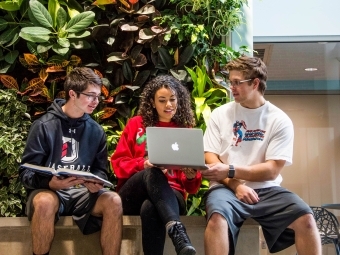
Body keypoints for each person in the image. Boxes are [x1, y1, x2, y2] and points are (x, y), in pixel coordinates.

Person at [200, 56, 322, 255]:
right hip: (226, 189)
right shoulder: (220, 114)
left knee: (306, 219)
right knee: (216, 220)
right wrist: (236, 184)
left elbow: (272, 170)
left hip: (267, 190)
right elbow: (210, 156)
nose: (232, 87)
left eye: (237, 82)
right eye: (230, 82)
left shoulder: (279, 120)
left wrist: (230, 169)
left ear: (255, 83)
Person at [19, 67, 123, 255]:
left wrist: (96, 182)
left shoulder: (96, 131)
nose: (96, 102)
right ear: (72, 94)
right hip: (51, 192)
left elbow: (100, 170)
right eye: (91, 96)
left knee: (113, 200)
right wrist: (48, 183)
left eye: (98, 96)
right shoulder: (44, 126)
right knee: (44, 202)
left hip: (82, 194)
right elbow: (25, 173)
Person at [111, 75, 202, 255]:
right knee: (152, 172)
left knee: (150, 207)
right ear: (152, 102)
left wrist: (191, 175)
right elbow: (118, 164)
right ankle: (178, 231)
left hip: (172, 196)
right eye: (162, 100)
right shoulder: (136, 124)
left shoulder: (185, 129)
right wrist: (143, 164)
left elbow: (192, 188)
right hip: (133, 193)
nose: (169, 105)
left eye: (172, 99)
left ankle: (176, 231)